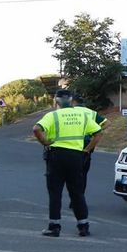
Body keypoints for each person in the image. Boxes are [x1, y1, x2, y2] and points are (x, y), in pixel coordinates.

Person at [33, 89, 102, 237]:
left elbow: (37, 129)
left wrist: (44, 141)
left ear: (56, 102)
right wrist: (87, 149)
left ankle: (54, 226)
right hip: (76, 156)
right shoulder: (82, 115)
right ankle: (83, 226)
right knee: (77, 192)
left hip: (56, 156)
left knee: (55, 192)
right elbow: (98, 132)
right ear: (71, 101)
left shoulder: (52, 115)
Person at [71, 93, 106, 181]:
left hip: (73, 142)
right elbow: (107, 123)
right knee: (83, 171)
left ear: (73, 101)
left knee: (71, 171)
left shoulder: (70, 111)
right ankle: (81, 192)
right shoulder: (91, 112)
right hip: (87, 143)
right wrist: (96, 130)